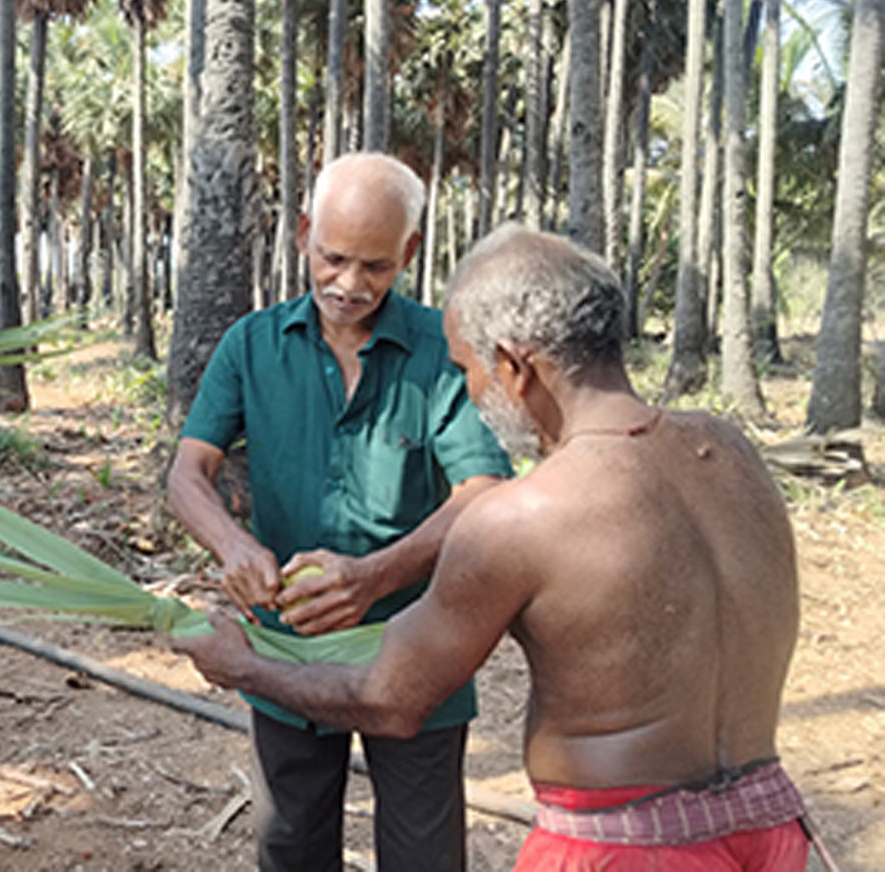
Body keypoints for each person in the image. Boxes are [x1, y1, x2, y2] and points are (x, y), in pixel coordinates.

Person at [176, 224, 810, 871]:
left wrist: (242, 666)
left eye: (465, 369)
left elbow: (393, 701)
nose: (472, 391)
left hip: (618, 847)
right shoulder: (729, 451)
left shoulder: (522, 516)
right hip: (774, 828)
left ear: (512, 363)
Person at [166, 152, 512, 871]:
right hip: (285, 649)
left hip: (418, 646)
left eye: (377, 267)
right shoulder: (252, 345)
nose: (350, 285)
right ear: (302, 234)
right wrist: (233, 547)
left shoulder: (442, 350)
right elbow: (187, 474)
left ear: (409, 253)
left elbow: (482, 492)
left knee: (424, 853)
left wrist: (373, 579)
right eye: (333, 258)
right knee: (291, 845)